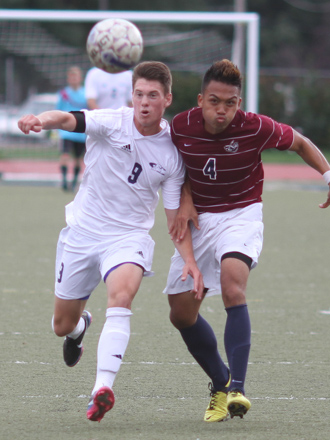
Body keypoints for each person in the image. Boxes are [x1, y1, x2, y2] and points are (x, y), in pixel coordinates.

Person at [17, 61, 204, 423]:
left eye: (153, 95)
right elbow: (68, 118)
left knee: (121, 296)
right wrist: (41, 119)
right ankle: (79, 329)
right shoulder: (111, 121)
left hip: (128, 237)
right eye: (138, 95)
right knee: (61, 324)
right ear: (130, 96)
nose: (144, 103)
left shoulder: (171, 153)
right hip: (83, 232)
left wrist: (190, 261)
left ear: (167, 98)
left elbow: (172, 219)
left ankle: (101, 389)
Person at [164, 59, 330, 423]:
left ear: (239, 103)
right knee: (180, 313)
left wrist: (328, 174)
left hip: (242, 214)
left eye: (230, 102)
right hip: (199, 222)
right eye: (214, 101)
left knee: (232, 286)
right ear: (200, 99)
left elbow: (300, 143)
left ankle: (238, 387)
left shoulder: (256, 127)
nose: (221, 110)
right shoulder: (180, 126)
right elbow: (175, 169)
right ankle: (220, 382)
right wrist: (187, 198)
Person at [56, 66, 88, 191]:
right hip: (66, 132)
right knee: (64, 155)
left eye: (76, 77)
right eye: (71, 77)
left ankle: (74, 182)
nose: (74, 79)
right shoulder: (63, 93)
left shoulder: (85, 94)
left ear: (80, 78)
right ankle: (64, 180)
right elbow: (58, 110)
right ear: (68, 79)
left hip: (80, 132)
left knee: (78, 158)